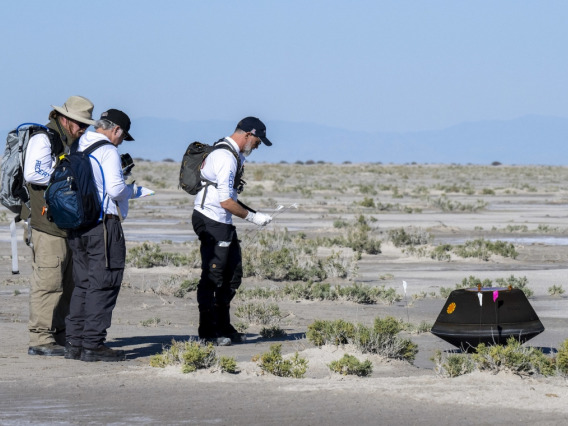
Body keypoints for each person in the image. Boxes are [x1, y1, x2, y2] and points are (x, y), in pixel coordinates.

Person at [23, 95, 95, 356]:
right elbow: (33, 173)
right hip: (47, 225)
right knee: (49, 281)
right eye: (80, 123)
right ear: (64, 119)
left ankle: (60, 334)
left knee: (70, 283)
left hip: (69, 224)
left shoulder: (73, 142)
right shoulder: (44, 139)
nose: (84, 129)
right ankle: (41, 338)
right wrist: (67, 175)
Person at [192, 117, 273, 346]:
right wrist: (253, 217)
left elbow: (229, 199)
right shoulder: (226, 157)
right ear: (248, 134)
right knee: (213, 276)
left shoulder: (234, 154)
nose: (258, 145)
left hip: (222, 221)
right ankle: (207, 332)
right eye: (258, 140)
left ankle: (223, 325)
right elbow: (226, 201)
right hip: (211, 220)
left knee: (232, 275)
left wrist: (253, 213)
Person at [64, 109, 136, 362]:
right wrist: (133, 191)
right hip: (103, 224)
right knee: (103, 283)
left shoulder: (77, 144)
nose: (120, 141)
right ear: (116, 130)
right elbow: (116, 189)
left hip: (77, 224)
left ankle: (74, 343)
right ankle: (93, 345)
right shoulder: (107, 150)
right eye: (122, 136)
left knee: (82, 283)